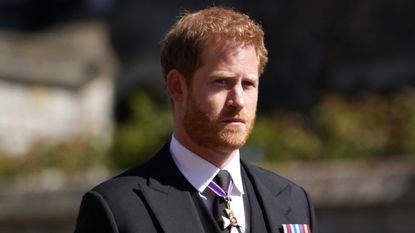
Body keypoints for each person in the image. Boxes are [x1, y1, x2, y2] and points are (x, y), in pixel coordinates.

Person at [74, 6, 317, 233]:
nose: (238, 100)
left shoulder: (294, 202)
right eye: (221, 82)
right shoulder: (116, 209)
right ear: (177, 87)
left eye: (248, 84)